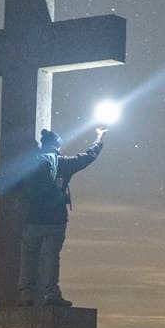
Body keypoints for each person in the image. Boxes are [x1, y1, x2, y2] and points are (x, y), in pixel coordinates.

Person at [15, 126, 104, 307]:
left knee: (28, 256)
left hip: (33, 218)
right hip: (56, 219)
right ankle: (51, 294)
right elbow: (87, 157)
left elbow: (17, 183)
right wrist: (99, 139)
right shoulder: (63, 163)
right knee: (51, 257)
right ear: (57, 146)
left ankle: (25, 293)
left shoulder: (31, 162)